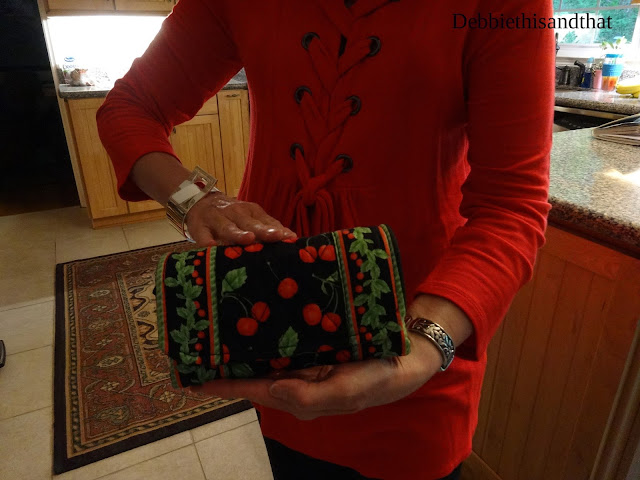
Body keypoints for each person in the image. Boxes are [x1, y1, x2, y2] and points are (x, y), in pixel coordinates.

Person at [97, 1, 554, 478]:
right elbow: (132, 106)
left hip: (416, 331)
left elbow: (511, 206)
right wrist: (195, 200)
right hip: (274, 323)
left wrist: (422, 346)